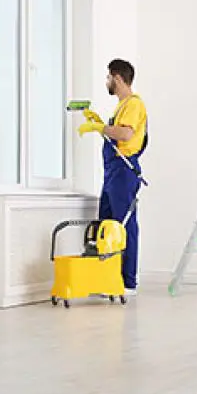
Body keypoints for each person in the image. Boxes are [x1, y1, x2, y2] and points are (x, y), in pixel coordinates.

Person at [78, 59, 148, 295]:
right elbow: (115, 133)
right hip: (112, 173)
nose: (107, 81)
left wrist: (100, 128)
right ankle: (106, 279)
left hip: (124, 170)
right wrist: (100, 124)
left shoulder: (133, 104)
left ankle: (128, 282)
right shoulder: (121, 106)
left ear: (117, 78)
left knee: (123, 225)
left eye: (108, 77)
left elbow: (126, 134)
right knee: (106, 224)